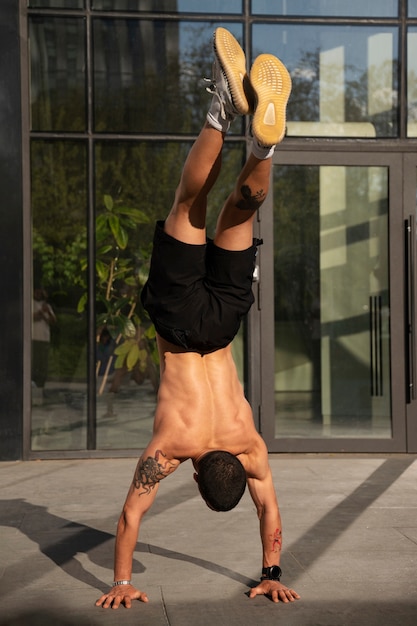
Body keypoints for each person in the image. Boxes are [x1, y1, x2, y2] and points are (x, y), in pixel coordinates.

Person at [96, 27, 298, 609]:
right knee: (188, 206)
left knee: (239, 210)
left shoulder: (250, 446)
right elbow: (132, 515)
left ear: (232, 464)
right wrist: (122, 582)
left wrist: (272, 569)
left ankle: (263, 149)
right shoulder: (168, 449)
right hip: (180, 326)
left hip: (224, 322)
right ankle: (220, 107)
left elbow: (269, 508)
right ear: (191, 474)